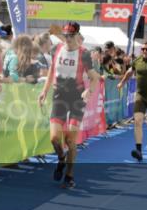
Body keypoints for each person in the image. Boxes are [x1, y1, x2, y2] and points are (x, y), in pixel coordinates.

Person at [38, 22, 100, 188]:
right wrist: (44, 91)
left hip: (76, 97)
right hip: (59, 95)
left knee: (70, 140)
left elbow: (94, 78)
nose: (68, 39)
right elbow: (51, 70)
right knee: (54, 138)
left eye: (71, 36)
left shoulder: (84, 53)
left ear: (77, 35)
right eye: (66, 35)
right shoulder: (56, 49)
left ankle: (69, 175)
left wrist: (89, 91)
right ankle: (61, 159)